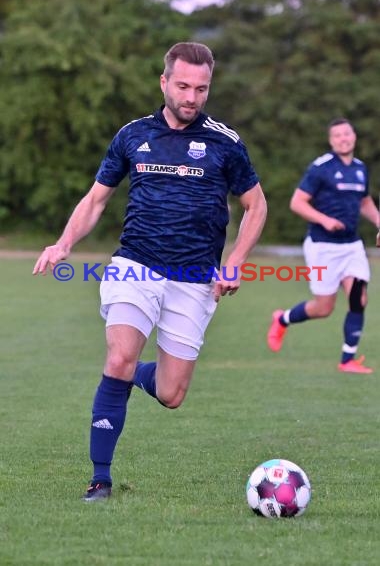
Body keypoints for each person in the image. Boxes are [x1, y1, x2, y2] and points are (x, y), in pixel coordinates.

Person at [33, 42, 267, 501]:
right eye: (182, 85)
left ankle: (135, 375)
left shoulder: (226, 142)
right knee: (118, 356)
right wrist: (63, 243)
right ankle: (100, 478)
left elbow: (255, 205)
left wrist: (234, 263)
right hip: (135, 265)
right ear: (164, 82)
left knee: (171, 393)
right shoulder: (133, 135)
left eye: (201, 88)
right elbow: (96, 199)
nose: (192, 96)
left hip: (196, 278)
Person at [267, 117, 379, 374]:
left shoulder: (361, 169)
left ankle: (347, 359)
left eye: (347, 134)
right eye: (337, 135)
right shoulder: (321, 168)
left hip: (352, 246)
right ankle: (282, 319)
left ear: (354, 137)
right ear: (331, 141)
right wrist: (324, 220)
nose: (343, 138)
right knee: (323, 308)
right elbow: (297, 202)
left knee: (358, 298)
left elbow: (365, 203)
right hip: (322, 246)